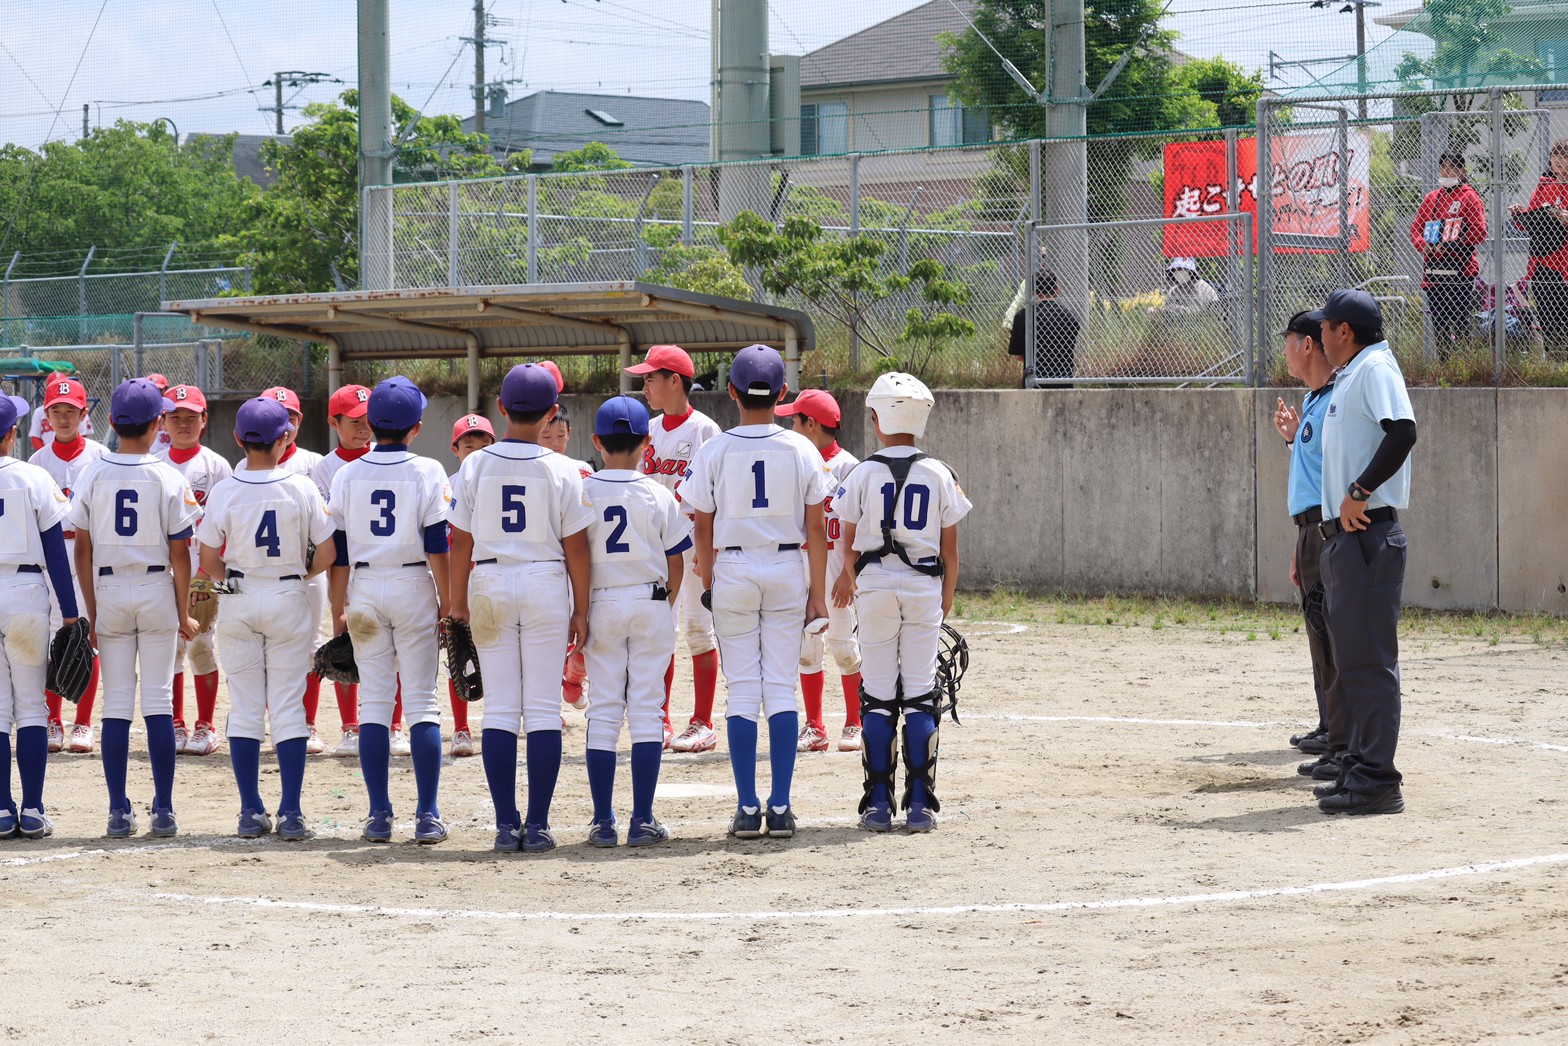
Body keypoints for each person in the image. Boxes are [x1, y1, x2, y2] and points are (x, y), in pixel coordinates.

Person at [680, 344, 831, 840]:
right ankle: (781, 806)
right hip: (788, 565)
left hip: (735, 567)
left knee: (743, 689)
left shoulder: (715, 448)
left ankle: (748, 807)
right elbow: (815, 528)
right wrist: (816, 593)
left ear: (731, 392)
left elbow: (701, 524)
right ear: (782, 393)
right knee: (781, 687)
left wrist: (709, 577)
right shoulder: (801, 447)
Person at [447, 364, 594, 853]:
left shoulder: (475, 464)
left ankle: (506, 825)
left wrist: (454, 603)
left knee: (501, 710)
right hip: (545, 580)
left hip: (487, 580)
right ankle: (539, 823)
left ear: (502, 409)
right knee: (543, 710)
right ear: (552, 413)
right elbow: (576, 546)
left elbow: (460, 541)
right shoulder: (561, 467)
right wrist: (582, 608)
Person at [831, 373, 971, 833]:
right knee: (920, 693)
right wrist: (945, 596)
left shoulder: (862, 472)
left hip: (874, 589)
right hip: (923, 588)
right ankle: (919, 803)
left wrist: (852, 580)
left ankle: (876, 801)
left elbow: (847, 544)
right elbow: (949, 550)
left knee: (876, 693)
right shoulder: (939, 472)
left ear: (876, 419)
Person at [196, 397, 335, 840]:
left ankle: (250, 812)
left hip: (237, 591)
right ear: (286, 438)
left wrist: (236, 590)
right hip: (287, 592)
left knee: (246, 707)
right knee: (289, 706)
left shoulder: (225, 489)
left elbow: (209, 559)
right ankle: (291, 813)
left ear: (238, 439)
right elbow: (328, 553)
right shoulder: (300, 486)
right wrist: (294, 579)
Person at [69, 379, 202, 838]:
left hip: (109, 589)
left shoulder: (92, 471)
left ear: (110, 422)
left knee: (117, 705)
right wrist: (184, 610)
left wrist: (91, 607)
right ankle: (163, 808)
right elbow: (181, 552)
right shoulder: (168, 475)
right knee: (159, 702)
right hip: (155, 589)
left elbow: (81, 551)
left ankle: (117, 810)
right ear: (158, 425)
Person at [326, 376, 452, 844]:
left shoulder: (347, 473)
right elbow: (438, 544)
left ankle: (379, 815)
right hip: (413, 581)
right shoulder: (428, 469)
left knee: (374, 703)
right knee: (421, 702)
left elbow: (337, 551)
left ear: (371, 424)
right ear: (415, 428)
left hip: (365, 584)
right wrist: (448, 601)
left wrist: (338, 606)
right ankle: (427, 814)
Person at [1314, 289, 1416, 817]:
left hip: (1367, 534)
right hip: (1343, 539)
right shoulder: (1353, 371)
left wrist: (1360, 490)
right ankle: (1358, 766)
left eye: (1325, 328)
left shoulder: (1374, 367)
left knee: (1370, 662)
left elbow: (1403, 432)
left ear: (1344, 331)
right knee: (1352, 661)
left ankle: (1377, 778)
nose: (1320, 338)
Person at [580, 396, 692, 848]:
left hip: (601, 601)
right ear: (648, 442)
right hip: (649, 599)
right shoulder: (657, 492)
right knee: (648, 710)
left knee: (604, 710)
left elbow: (576, 555)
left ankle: (604, 821)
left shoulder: (585, 490)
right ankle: (642, 819)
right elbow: (676, 559)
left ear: (596, 443)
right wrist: (664, 605)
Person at [623, 345, 723, 753]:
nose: (644, 385)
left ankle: (702, 722)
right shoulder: (649, 428)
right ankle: (661, 717)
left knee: (700, 630)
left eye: (650, 378)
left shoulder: (705, 431)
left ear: (674, 381)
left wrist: (708, 547)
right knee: (661, 630)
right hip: (657, 547)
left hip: (694, 545)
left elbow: (713, 495)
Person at [309, 384, 408, 758]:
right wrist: (338, 599)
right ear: (334, 422)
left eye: (368, 420)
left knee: (392, 651)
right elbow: (328, 531)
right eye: (354, 421)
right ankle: (350, 727)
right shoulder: (325, 468)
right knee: (346, 646)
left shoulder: (387, 457)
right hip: (343, 565)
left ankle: (395, 727)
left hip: (383, 563)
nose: (364, 428)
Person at [0, 393, 81, 840]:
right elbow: (56, 553)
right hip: (26, 593)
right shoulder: (34, 476)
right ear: (12, 434)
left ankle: (0, 808)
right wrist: (71, 615)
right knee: (31, 708)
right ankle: (31, 809)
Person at [1270, 313, 1343, 778]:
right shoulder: (1315, 401)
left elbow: (1334, 477)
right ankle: (1331, 728)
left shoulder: (1336, 399)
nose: (1286, 351)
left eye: (1290, 341)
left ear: (1310, 346)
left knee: (1332, 635)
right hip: (1309, 530)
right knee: (1319, 635)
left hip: (1324, 528)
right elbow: (1313, 470)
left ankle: (1343, 741)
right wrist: (1294, 438)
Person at [774, 389, 864, 753]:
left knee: (844, 647)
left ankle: (855, 723)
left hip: (837, 569)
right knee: (807, 648)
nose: (790, 425)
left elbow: (861, 526)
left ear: (811, 424)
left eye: (795, 420)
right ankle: (814, 726)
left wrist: (849, 572)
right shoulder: (794, 462)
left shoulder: (850, 467)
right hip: (804, 567)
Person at [156, 384, 232, 757]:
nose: (183, 423)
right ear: (163, 422)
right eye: (175, 417)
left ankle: (205, 725)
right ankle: (175, 723)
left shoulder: (217, 465)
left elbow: (224, 525)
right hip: (165, 570)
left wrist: (210, 576)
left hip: (204, 569)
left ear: (204, 420)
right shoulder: (155, 462)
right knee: (170, 647)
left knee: (201, 645)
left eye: (191, 417)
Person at [30, 378, 105, 754]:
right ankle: (53, 720)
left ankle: (83, 723)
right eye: (56, 411)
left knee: (88, 639)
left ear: (83, 414)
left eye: (70, 411)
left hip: (88, 556)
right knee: (51, 640)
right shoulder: (37, 461)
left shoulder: (98, 455)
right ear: (46, 415)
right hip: (50, 558)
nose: (63, 417)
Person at [445, 413, 497, 758]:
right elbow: (452, 542)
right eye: (468, 445)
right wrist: (452, 596)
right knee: (459, 651)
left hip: (492, 573)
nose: (476, 450)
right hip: (462, 572)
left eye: (483, 444)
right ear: (455, 449)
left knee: (494, 652)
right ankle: (461, 728)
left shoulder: (497, 475)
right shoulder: (449, 483)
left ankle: (496, 721)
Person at [538, 402, 593, 712]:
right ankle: (550, 710)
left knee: (585, 633)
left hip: (577, 566)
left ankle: (573, 678)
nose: (554, 443)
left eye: (560, 435)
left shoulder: (582, 470)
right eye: (547, 436)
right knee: (548, 639)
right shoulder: (530, 470)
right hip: (546, 566)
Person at [1411, 152, 1487, 359]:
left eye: (1452, 167)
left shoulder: (1469, 196)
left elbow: (1480, 231)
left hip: (1461, 270)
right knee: (1440, 320)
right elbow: (1416, 229)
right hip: (1434, 272)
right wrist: (1424, 245)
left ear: (1463, 171)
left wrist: (1451, 243)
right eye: (1443, 167)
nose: (1447, 171)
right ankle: (1444, 363)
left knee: (1460, 318)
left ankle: (1463, 362)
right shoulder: (1431, 198)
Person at [1511, 140, 1568, 359]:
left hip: (1563, 263)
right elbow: (1530, 221)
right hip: (1541, 262)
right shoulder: (1543, 186)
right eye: (1555, 156)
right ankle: (1554, 361)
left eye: (1564, 156)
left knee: (1563, 314)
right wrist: (1519, 213)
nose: (1559, 161)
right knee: (1546, 315)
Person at [1006, 269, 1079, 388]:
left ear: (1032, 291)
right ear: (1056, 290)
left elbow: (1017, 355)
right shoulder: (1070, 317)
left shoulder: (1023, 316)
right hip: (1063, 382)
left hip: (1034, 382)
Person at [1152, 257, 1219, 316]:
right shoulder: (1174, 290)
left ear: (1191, 271)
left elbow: (1195, 312)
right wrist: (1157, 311)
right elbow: (1164, 307)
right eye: (1176, 269)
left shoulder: (1201, 287)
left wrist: (1171, 308)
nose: (1179, 271)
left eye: (1182, 268)